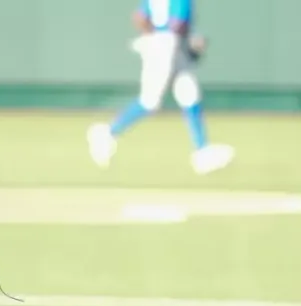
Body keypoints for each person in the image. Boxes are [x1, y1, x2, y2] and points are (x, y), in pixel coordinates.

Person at [87, 0, 235, 175]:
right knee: (150, 101)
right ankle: (107, 133)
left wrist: (152, 37)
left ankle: (201, 151)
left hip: (166, 42)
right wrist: (189, 41)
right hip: (168, 43)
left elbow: (140, 17)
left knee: (189, 94)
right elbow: (177, 23)